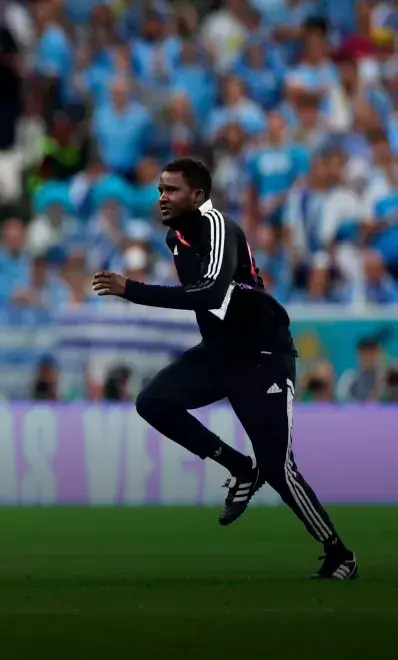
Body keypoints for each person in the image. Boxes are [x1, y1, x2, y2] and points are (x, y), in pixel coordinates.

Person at [91, 157, 357, 580]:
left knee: (278, 469)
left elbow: (212, 293)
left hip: (262, 357)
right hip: (219, 352)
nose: (162, 197)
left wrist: (132, 290)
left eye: (172, 190)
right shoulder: (176, 238)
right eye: (160, 189)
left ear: (197, 196)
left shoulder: (220, 227)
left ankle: (338, 553)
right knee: (153, 401)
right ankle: (238, 467)